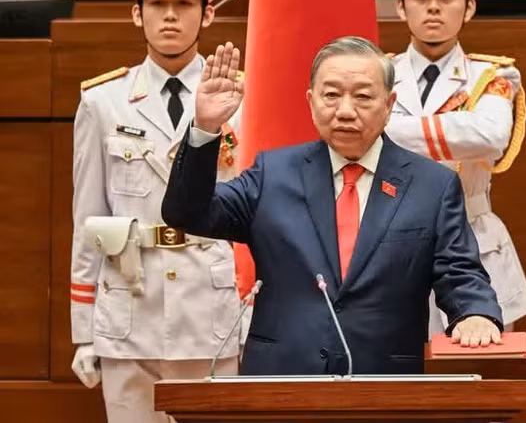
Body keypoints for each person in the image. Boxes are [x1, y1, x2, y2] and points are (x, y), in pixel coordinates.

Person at [161, 36, 504, 375]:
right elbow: (187, 213)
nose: (345, 111)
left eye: (363, 97)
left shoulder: (432, 185)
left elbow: (459, 272)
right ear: (311, 102)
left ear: (389, 103)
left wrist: (475, 313)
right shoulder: (273, 174)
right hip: (282, 380)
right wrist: (205, 129)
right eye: (331, 95)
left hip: (385, 384)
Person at [70, 0, 244, 423]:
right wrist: (84, 329)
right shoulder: (102, 102)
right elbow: (88, 220)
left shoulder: (239, 98)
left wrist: (255, 314)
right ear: (136, 12)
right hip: (130, 308)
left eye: (185, 3)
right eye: (158, 2)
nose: (170, 15)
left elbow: (259, 214)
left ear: (207, 13)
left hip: (210, 306)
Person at [383, 0, 526, 334]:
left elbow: (489, 136)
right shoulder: (378, 74)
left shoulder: (493, 75)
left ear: (469, 7)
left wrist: (392, 128)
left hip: (476, 245)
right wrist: (455, 132)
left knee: (480, 380)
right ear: (400, 6)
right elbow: (359, 137)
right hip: (391, 245)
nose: (433, 6)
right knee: (400, 380)